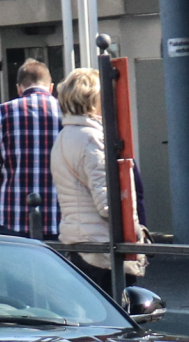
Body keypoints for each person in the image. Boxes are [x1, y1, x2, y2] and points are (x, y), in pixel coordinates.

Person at [50, 68, 146, 295]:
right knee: (118, 319)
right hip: (102, 248)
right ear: (92, 100)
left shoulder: (64, 137)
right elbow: (108, 203)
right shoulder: (92, 138)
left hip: (78, 241)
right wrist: (136, 235)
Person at [0, 59, 62, 239]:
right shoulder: (67, 112)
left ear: (19, 88)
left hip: (13, 215)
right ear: (51, 87)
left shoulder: (0, 113)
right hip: (60, 215)